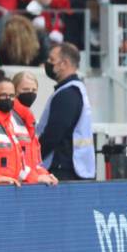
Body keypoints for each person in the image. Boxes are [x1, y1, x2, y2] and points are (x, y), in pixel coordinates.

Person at [38, 43, 94, 180]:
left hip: (63, 169)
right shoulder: (75, 89)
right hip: (75, 167)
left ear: (64, 64)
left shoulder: (68, 93)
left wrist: (34, 157)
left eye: (52, 60)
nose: (48, 63)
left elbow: (53, 134)